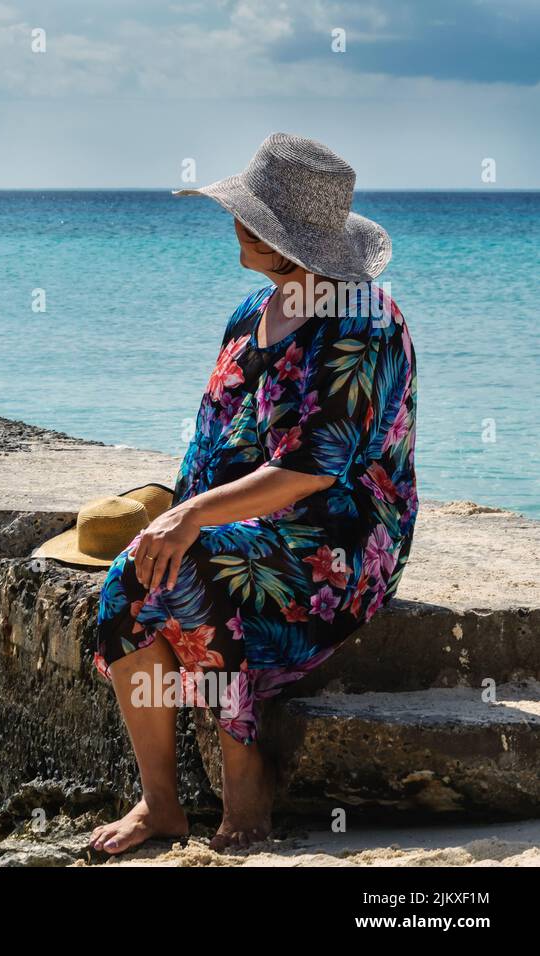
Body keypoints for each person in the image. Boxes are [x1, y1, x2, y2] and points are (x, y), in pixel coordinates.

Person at [88, 133, 418, 854]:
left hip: (336, 539)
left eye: (255, 219)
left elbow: (313, 468)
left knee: (201, 573)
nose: (236, 225)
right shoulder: (249, 313)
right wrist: (173, 518)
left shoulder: (364, 323)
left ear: (291, 239)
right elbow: (211, 442)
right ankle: (161, 806)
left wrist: (192, 521)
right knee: (129, 586)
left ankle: (246, 770)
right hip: (243, 521)